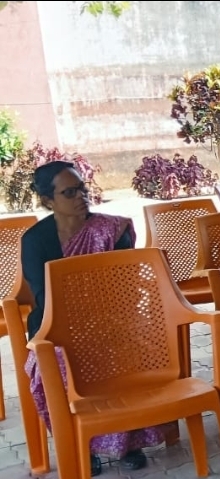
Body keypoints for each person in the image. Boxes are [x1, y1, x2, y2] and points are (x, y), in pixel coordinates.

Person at [20, 161, 162, 475]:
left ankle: (128, 440)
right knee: (59, 359)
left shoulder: (112, 229)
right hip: (56, 324)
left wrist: (106, 319)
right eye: (69, 192)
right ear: (48, 200)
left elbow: (125, 284)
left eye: (82, 189)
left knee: (128, 347)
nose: (81, 197)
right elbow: (45, 296)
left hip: (110, 320)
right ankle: (81, 442)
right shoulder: (35, 240)